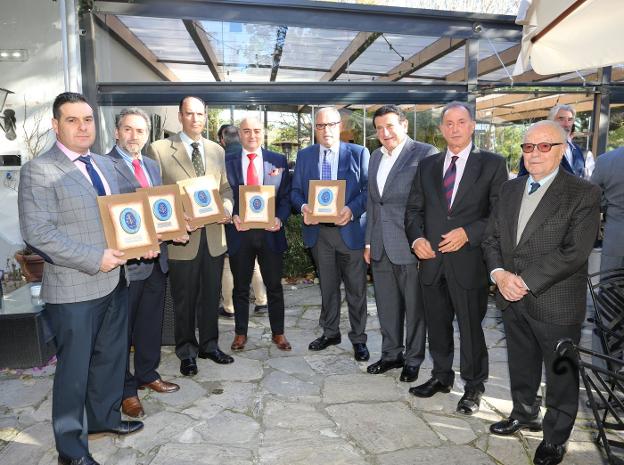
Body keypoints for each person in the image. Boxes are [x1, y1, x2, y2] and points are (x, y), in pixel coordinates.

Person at [18, 92, 144, 465]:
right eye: (72, 120)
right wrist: (95, 258)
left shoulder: (105, 164)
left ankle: (104, 420)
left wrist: (145, 240)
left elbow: (125, 213)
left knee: (111, 358)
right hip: (74, 288)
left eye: (87, 119)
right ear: (56, 125)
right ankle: (71, 450)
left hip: (113, 282)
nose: (82, 126)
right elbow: (38, 233)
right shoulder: (39, 170)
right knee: (73, 371)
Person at [483, 120, 600, 465]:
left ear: (562, 149)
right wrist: (499, 274)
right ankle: (524, 412)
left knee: (561, 372)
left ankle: (555, 437)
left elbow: (575, 252)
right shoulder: (509, 189)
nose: (534, 154)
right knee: (521, 362)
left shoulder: (583, 192)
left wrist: (523, 280)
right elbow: (491, 238)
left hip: (556, 300)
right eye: (528, 147)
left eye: (544, 146)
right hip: (509, 295)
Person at [405, 101, 508, 415]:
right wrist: (417, 238)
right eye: (448, 123)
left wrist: (469, 233)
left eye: (460, 122)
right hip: (432, 262)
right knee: (436, 325)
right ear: (441, 129)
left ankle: (474, 386)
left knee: (471, 328)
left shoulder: (492, 163)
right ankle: (441, 376)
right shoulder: (427, 166)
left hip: (469, 261)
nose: (454, 128)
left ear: (472, 125)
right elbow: (413, 211)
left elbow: (499, 213)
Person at [105, 107, 184, 419]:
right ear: (116, 132)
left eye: (139, 131)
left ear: (146, 135)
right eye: (127, 129)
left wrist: (176, 225)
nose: (133, 136)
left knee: (150, 324)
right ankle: (126, 391)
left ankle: (148, 374)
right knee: (122, 331)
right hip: (127, 265)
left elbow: (157, 210)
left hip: (157, 259)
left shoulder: (151, 166)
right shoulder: (105, 165)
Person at [146, 96, 234, 376]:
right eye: (189, 114)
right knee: (183, 300)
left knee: (211, 297)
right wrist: (173, 219)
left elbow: (226, 190)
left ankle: (210, 345)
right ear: (180, 116)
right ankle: (186, 351)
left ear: (205, 117)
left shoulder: (217, 151)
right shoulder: (158, 150)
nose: (195, 119)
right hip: (182, 240)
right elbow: (154, 197)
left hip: (214, 238)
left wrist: (228, 208)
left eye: (200, 114)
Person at [364, 105, 437, 382]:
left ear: (404, 125)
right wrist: (369, 242)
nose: (385, 133)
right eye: (380, 128)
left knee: (415, 308)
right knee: (386, 305)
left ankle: (413, 359)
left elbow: (431, 204)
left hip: (410, 245)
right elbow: (374, 203)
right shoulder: (374, 157)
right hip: (381, 245)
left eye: (390, 126)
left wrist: (423, 241)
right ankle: (391, 354)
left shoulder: (425, 153)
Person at [291, 106, 370, 362]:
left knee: (356, 290)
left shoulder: (358, 153)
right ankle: (330, 332)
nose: (326, 130)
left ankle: (358, 339)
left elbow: (369, 190)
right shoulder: (305, 156)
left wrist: (351, 209)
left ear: (340, 126)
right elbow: (294, 192)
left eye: (331, 125)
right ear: (315, 129)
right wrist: (303, 207)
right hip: (319, 235)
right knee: (327, 287)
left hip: (350, 232)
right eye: (321, 126)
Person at [224, 116, 291, 351]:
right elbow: (224, 194)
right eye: (246, 131)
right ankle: (240, 333)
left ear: (263, 133)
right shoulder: (228, 161)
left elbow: (285, 197)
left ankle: (278, 333)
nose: (252, 135)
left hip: (270, 234)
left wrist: (279, 218)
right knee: (240, 287)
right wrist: (232, 214)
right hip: (239, 233)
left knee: (274, 286)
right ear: (239, 134)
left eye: (256, 131)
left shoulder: (278, 160)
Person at [218, 123, 268, 318]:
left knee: (228, 262)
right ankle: (261, 301)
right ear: (240, 136)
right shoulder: (250, 156)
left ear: (222, 140)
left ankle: (229, 306)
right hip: (258, 216)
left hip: (232, 218)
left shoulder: (222, 159)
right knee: (253, 261)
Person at [518, 104, 594, 179]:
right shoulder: (534, 150)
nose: (566, 124)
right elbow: (522, 181)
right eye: (561, 119)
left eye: (570, 120)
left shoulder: (583, 154)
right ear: (551, 121)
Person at [591, 146, 624, 272]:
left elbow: (592, 197)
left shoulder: (606, 160)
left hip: (616, 239)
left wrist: (607, 204)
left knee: (610, 287)